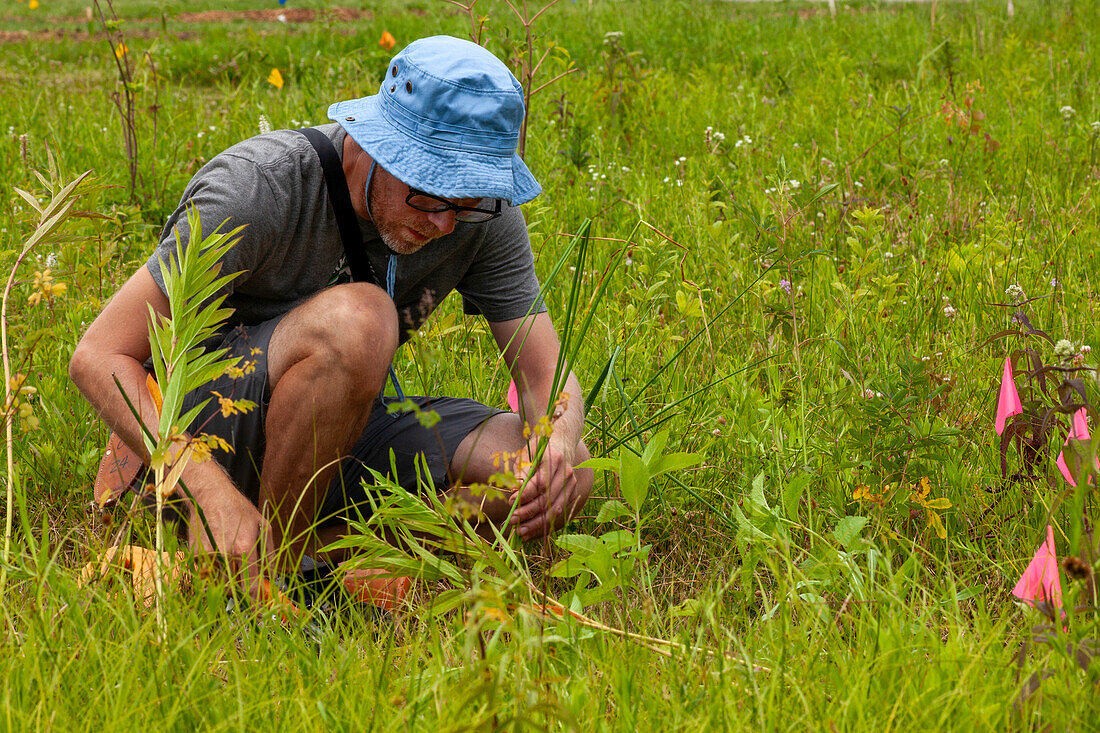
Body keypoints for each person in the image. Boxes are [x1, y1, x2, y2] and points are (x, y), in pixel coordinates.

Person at [69, 36, 593, 581]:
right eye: (429, 191)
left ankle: (288, 555)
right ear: (376, 144)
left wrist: (555, 438)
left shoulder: (476, 217)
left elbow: (544, 375)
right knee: (362, 319)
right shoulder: (258, 187)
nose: (444, 222)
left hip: (332, 433)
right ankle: (256, 571)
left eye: (467, 200)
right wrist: (202, 485)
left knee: (569, 471)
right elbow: (97, 355)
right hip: (199, 437)